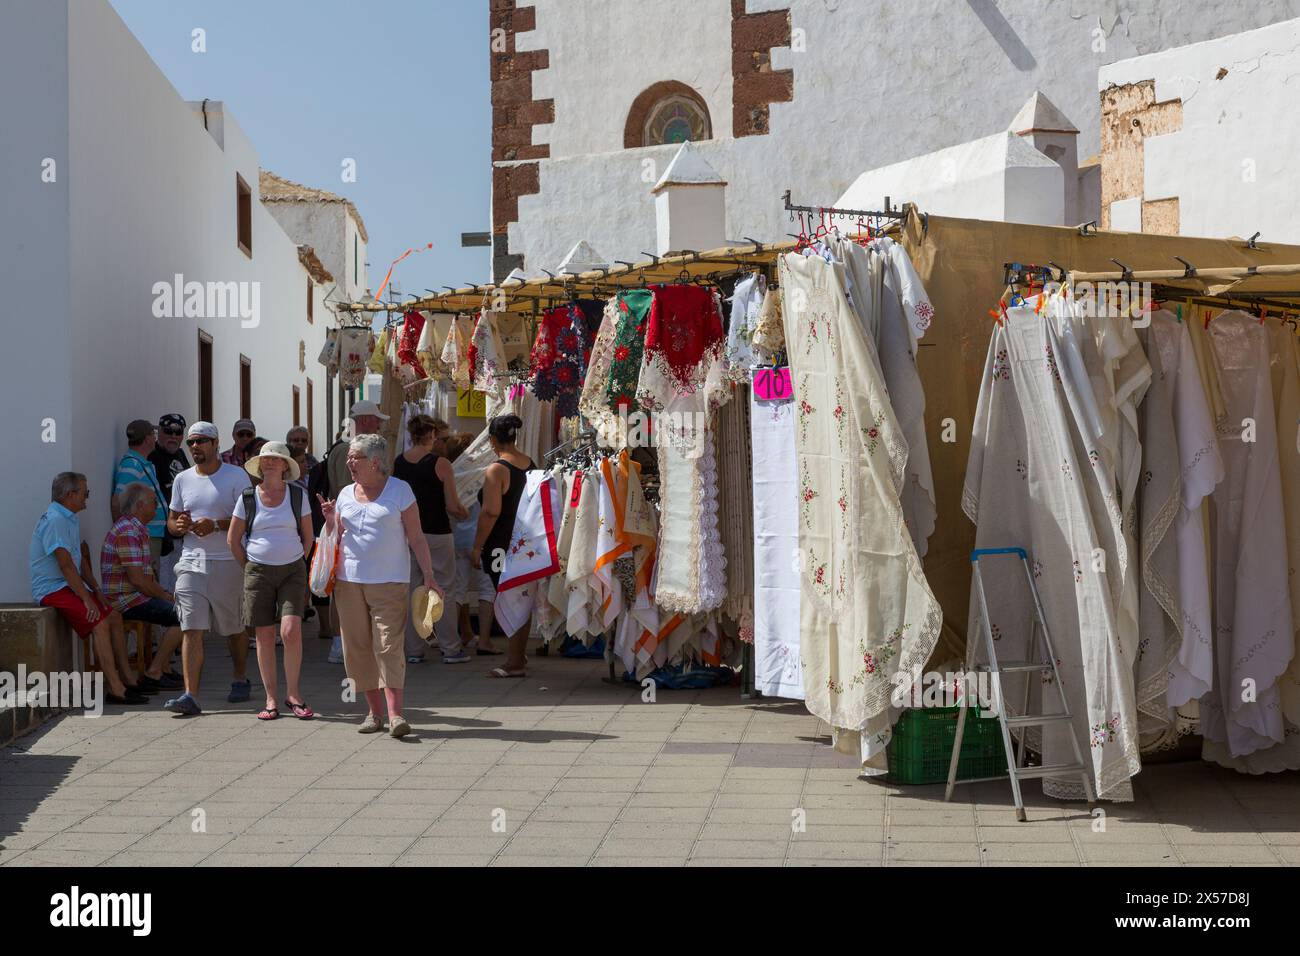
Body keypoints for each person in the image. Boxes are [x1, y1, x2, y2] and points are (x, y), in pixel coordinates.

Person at [319, 434, 440, 738]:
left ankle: (396, 715)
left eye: (354, 457)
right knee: (357, 647)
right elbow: (336, 535)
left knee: (387, 645)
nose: (349, 463)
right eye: (349, 457)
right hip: (348, 582)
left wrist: (429, 575)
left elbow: (417, 537)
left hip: (390, 581)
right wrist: (331, 520)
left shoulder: (401, 491)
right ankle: (373, 714)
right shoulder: (346, 492)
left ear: (374, 462)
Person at [30, 473, 146, 705]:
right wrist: (87, 599)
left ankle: (128, 680)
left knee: (113, 616)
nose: (87, 497)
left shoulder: (68, 516)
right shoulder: (56, 520)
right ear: (70, 495)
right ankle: (115, 689)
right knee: (99, 623)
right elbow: (65, 565)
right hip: (52, 588)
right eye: (85, 493)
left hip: (66, 584)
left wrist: (95, 589)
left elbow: (79, 559)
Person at [162, 422, 253, 716]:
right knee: (191, 627)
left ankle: (240, 677)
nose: (195, 447)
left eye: (201, 441)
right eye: (191, 443)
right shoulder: (183, 479)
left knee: (234, 628)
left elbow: (252, 517)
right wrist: (178, 526)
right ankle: (191, 695)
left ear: (215, 443)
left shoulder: (236, 476)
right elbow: (172, 520)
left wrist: (215, 524)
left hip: (228, 560)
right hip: (191, 560)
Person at [229, 442, 315, 721]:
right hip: (258, 571)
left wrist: (296, 560)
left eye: (274, 459)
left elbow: (309, 536)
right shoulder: (248, 497)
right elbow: (233, 539)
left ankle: (293, 694)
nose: (268, 463)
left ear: (285, 466)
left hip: (291, 570)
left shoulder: (297, 495)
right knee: (264, 635)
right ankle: (270, 699)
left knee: (290, 631)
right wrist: (250, 566)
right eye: (264, 459)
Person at [394, 415, 469, 664]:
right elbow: (451, 505)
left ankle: (414, 650)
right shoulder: (441, 464)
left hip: (407, 533)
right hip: (437, 532)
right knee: (444, 588)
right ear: (433, 435)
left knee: (413, 589)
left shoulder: (399, 463)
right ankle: (450, 648)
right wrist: (463, 511)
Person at [100, 482, 185, 692]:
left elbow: (146, 577)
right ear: (139, 506)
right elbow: (138, 580)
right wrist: (165, 596)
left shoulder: (135, 528)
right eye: (153, 503)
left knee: (181, 609)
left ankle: (162, 667)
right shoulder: (128, 531)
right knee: (186, 615)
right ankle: (155, 671)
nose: (156, 508)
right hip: (125, 599)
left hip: (133, 595)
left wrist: (165, 595)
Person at [473, 414, 535, 678]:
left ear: (492, 440)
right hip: (525, 541)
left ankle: (514, 662)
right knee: (522, 597)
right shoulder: (530, 463)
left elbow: (490, 512)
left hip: (501, 544)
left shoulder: (496, 470)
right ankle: (518, 655)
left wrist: (477, 547)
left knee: (507, 597)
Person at [445, 432, 500, 656]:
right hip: (483, 540)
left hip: (458, 539)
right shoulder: (486, 475)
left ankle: (450, 640)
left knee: (457, 591)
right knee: (487, 590)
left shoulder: (451, 475)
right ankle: (484, 641)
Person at [111, 420, 169, 570]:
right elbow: (117, 501)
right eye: (153, 434)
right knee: (148, 580)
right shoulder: (132, 465)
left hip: (150, 534)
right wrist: (125, 535)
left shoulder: (140, 463)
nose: (155, 439)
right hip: (144, 535)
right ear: (147, 438)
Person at [149, 413, 190, 592]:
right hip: (160, 534)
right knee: (164, 585)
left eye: (178, 432)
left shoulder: (181, 454)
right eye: (168, 431)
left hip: (181, 533)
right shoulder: (152, 457)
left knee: (180, 582)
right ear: (159, 432)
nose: (173, 436)